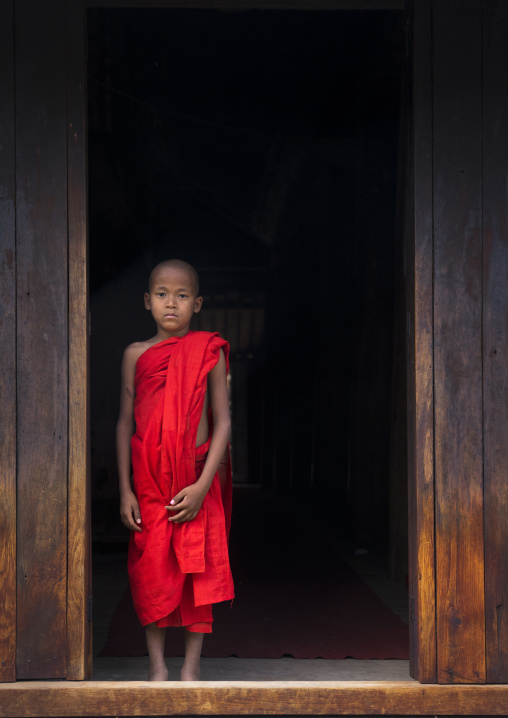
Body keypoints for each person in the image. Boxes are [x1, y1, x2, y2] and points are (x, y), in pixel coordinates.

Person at [116, 259, 234, 681]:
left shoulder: (210, 351)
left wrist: (203, 486)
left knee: (195, 568)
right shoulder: (135, 355)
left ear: (197, 303)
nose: (172, 303)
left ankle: (190, 668)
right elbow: (125, 423)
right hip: (148, 480)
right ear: (147, 301)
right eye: (163, 294)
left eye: (182, 296)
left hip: (194, 477)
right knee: (151, 567)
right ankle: (157, 667)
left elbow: (222, 422)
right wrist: (125, 490)